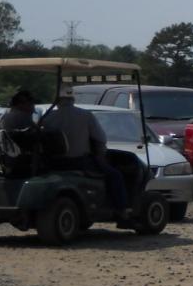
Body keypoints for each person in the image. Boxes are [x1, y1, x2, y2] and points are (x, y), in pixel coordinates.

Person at [41, 85, 130, 218]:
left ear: (57, 100)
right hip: (79, 162)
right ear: (72, 99)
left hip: (53, 163)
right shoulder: (85, 115)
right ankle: (121, 209)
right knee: (115, 175)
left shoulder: (48, 118)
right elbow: (100, 138)